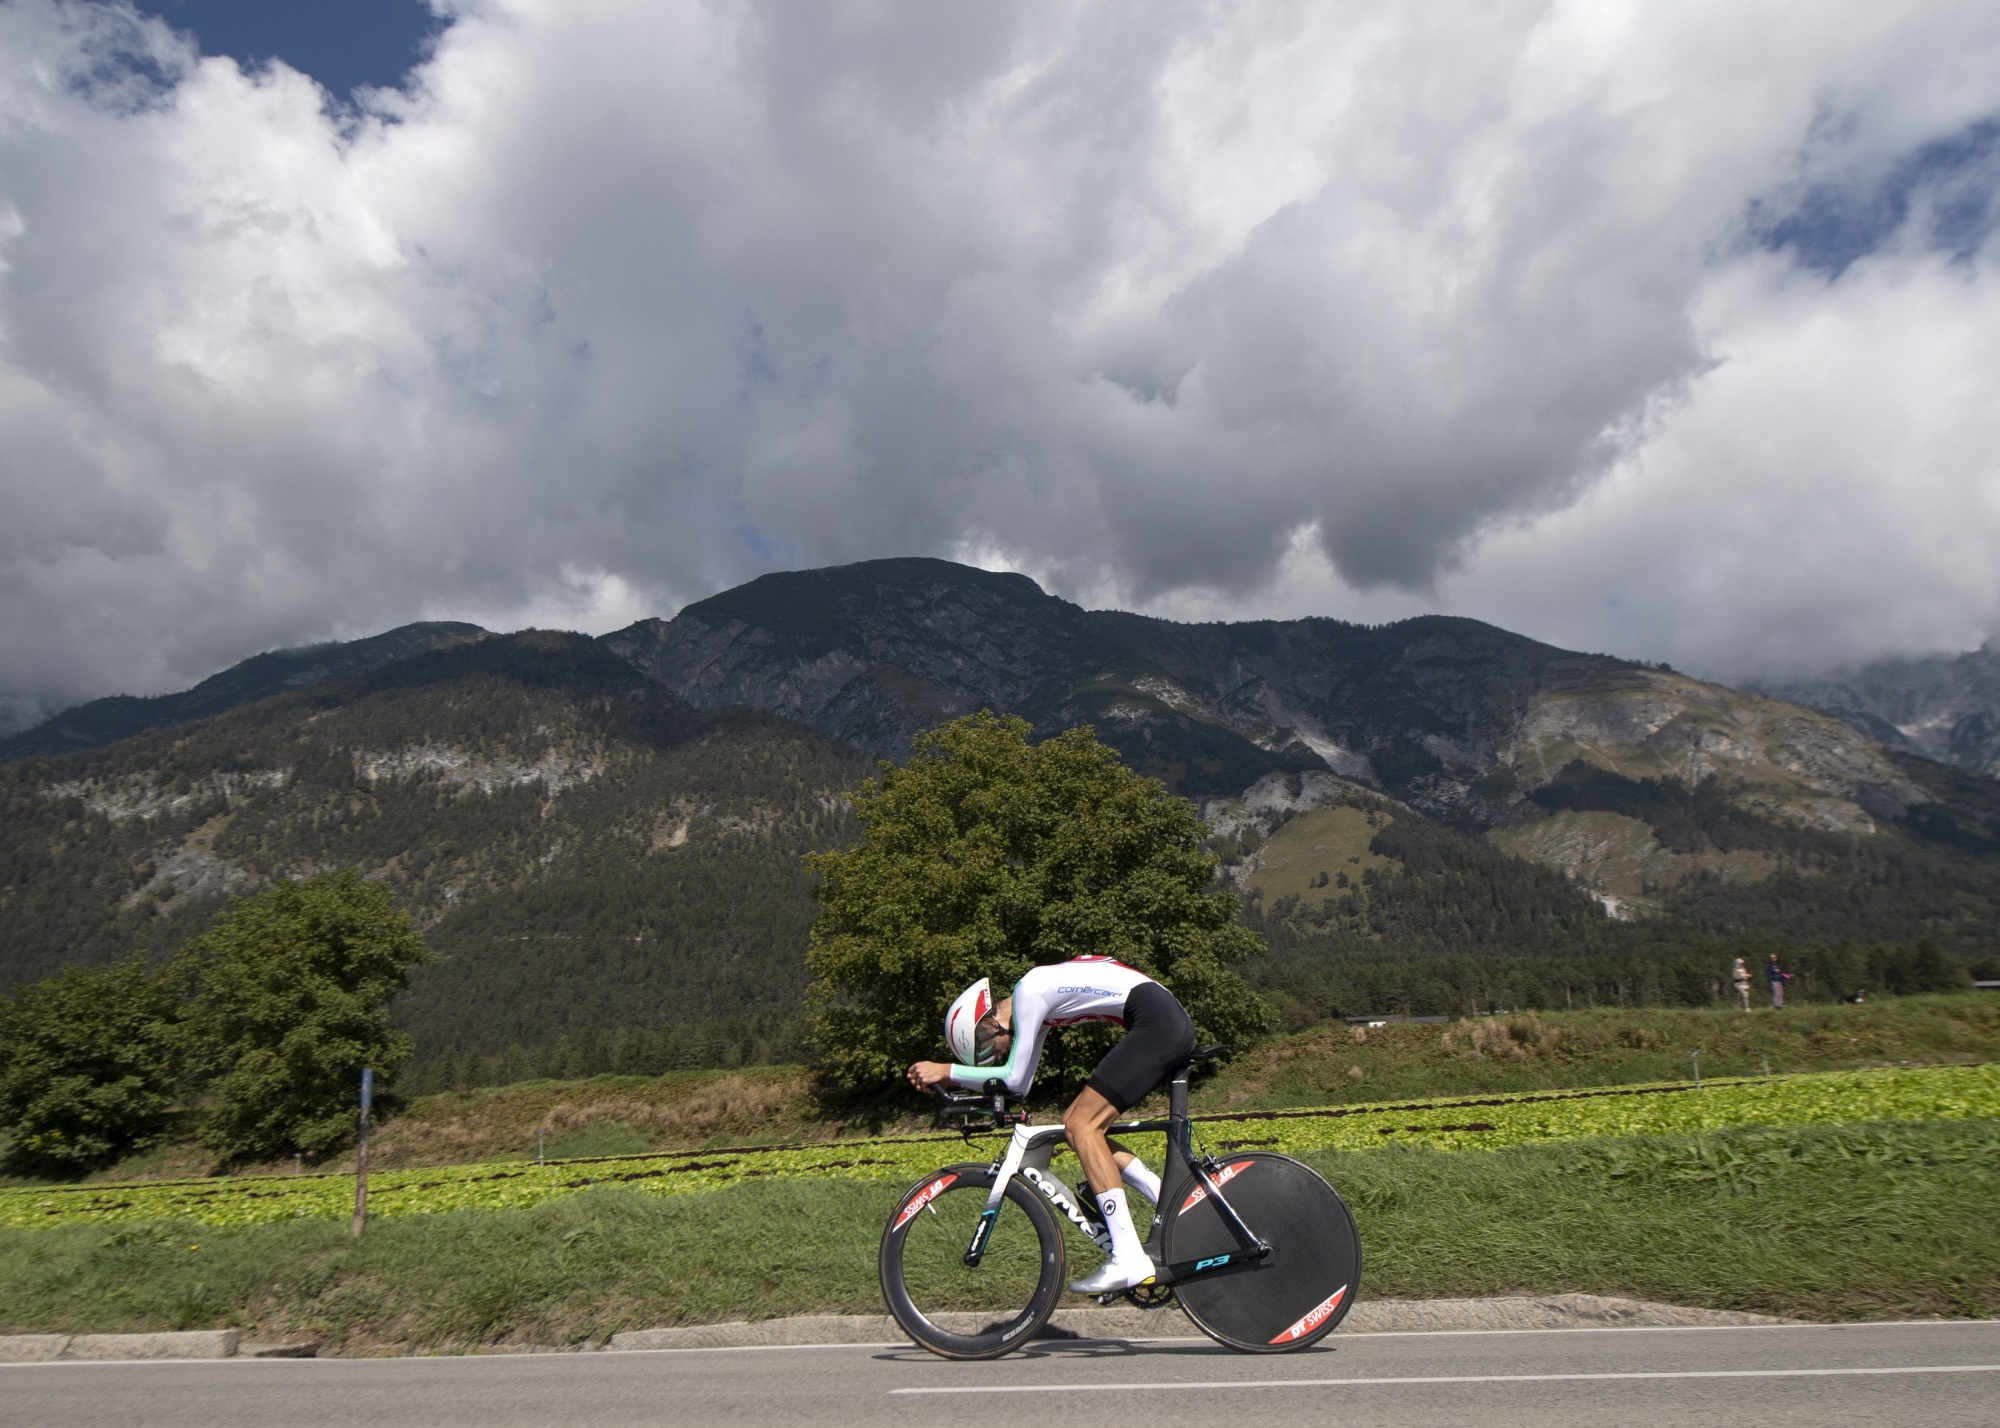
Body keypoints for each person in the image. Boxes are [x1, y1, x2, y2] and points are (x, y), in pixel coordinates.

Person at [905, 956, 1196, 1294]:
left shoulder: (1030, 990)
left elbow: (1011, 1077)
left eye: (984, 1051)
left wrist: (947, 1072)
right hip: (1161, 1019)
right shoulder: (1037, 999)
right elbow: (1022, 1085)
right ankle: (1173, 1200)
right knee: (1076, 1124)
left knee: (1082, 1127)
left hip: (1157, 1023)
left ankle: (1129, 1256)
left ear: (987, 1025)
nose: (993, 1058)